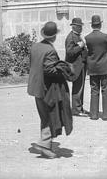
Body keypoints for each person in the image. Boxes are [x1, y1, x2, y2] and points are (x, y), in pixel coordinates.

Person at [27, 21, 73, 159]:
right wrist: (63, 69)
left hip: (35, 87)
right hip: (46, 89)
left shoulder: (35, 46)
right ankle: (44, 144)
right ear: (53, 36)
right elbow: (49, 70)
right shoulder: (50, 50)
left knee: (44, 115)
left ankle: (45, 144)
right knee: (51, 115)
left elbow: (33, 64)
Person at [85, 15, 107, 121]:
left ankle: (93, 114)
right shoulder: (105, 36)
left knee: (94, 90)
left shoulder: (87, 38)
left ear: (92, 25)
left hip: (93, 66)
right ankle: (106, 115)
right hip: (104, 66)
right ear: (100, 24)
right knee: (106, 89)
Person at [65, 17, 88, 117]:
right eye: (79, 26)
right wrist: (80, 46)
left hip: (81, 65)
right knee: (77, 87)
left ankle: (80, 107)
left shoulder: (76, 36)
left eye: (81, 26)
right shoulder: (71, 37)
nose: (81, 28)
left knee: (80, 87)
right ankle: (76, 109)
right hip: (76, 66)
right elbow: (69, 52)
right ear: (74, 27)